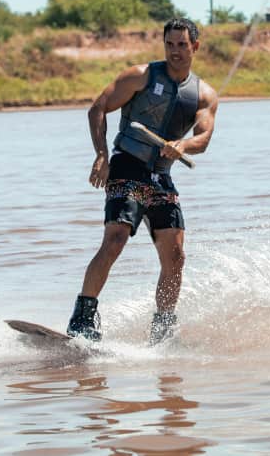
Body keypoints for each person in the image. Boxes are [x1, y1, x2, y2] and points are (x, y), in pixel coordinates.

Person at [66, 17, 219, 345]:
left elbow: (203, 138)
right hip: (126, 167)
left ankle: (162, 329)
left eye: (182, 45)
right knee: (116, 238)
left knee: (175, 256)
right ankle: (82, 318)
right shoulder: (141, 76)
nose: (175, 51)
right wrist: (101, 155)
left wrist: (183, 145)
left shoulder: (203, 94)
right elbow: (98, 108)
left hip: (161, 176)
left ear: (195, 46)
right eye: (169, 44)